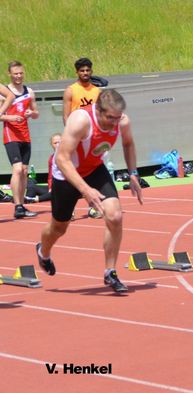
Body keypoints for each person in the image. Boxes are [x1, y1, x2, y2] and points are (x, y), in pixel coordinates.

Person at [36, 89, 143, 293]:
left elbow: (128, 144)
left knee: (115, 216)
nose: (114, 123)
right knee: (59, 228)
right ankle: (44, 251)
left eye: (117, 118)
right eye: (110, 118)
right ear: (98, 110)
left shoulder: (122, 121)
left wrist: (133, 173)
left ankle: (110, 271)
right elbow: (62, 159)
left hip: (94, 169)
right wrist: (85, 190)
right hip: (66, 174)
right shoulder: (80, 120)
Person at [63, 57, 103, 218]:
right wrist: (70, 135)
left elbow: (100, 114)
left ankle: (94, 206)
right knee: (72, 173)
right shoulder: (71, 90)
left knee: (93, 172)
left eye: (87, 70)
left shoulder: (97, 91)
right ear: (77, 72)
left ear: (91, 71)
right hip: (75, 137)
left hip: (92, 138)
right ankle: (68, 209)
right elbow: (66, 116)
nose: (85, 73)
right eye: (82, 71)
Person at [0, 61, 39, 218]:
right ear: (10, 74)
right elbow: (0, 116)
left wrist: (31, 113)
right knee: (16, 169)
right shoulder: (5, 93)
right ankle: (17, 206)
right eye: (15, 73)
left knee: (24, 171)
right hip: (11, 134)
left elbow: (36, 113)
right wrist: (11, 117)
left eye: (21, 73)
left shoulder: (29, 91)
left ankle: (21, 204)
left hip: (25, 134)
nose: (18, 76)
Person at [25, 133, 61, 203]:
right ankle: (26, 203)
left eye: (59, 142)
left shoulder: (71, 155)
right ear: (51, 145)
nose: (57, 145)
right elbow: (50, 177)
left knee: (58, 191)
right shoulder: (51, 158)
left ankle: (35, 199)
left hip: (70, 188)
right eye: (55, 143)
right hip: (55, 188)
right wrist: (50, 187)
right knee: (32, 187)